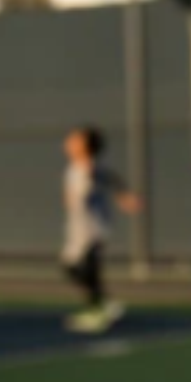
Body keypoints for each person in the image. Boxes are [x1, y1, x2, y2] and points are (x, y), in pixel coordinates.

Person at [60, 125, 139, 334]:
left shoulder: (88, 168)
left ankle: (97, 311)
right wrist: (123, 195)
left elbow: (102, 179)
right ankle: (103, 305)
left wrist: (123, 196)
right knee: (72, 268)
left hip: (91, 230)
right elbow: (110, 179)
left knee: (87, 269)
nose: (69, 142)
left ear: (84, 146)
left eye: (75, 139)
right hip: (77, 229)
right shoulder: (75, 167)